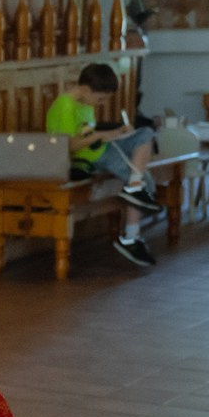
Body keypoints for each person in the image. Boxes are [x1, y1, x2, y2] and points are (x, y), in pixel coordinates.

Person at [44, 61, 162, 268]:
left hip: (102, 149)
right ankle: (131, 238)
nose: (102, 103)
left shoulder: (84, 102)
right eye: (101, 98)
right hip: (91, 158)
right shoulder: (65, 106)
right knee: (146, 183)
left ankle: (134, 187)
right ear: (86, 89)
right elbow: (69, 145)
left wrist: (116, 132)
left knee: (145, 134)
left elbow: (87, 131)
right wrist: (103, 135)